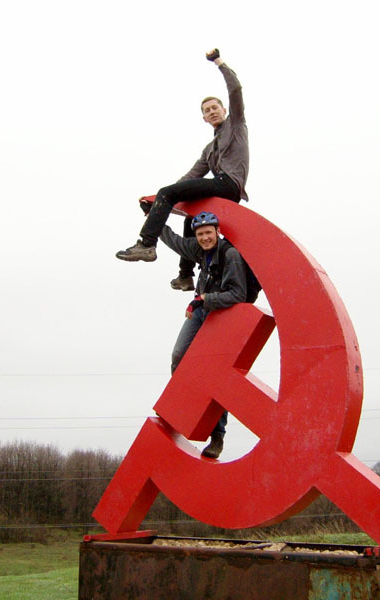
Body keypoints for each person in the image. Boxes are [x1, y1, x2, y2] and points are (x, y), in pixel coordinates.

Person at [116, 48, 249, 294]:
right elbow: (190, 178)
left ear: (224, 111)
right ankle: (185, 276)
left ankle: (146, 243)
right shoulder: (209, 149)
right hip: (218, 187)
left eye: (214, 107)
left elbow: (236, 90)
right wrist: (160, 201)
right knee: (190, 218)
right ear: (204, 119)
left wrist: (218, 62)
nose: (211, 112)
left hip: (228, 184)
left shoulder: (237, 125)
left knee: (169, 193)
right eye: (207, 111)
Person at [160, 210, 246, 458]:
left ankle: (217, 436)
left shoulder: (230, 255)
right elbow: (175, 241)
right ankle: (180, 408)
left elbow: (238, 294)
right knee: (179, 355)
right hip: (201, 310)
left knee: (216, 375)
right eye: (200, 234)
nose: (205, 238)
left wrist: (206, 299)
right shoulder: (200, 251)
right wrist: (154, 219)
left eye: (209, 232)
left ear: (218, 232)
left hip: (223, 316)